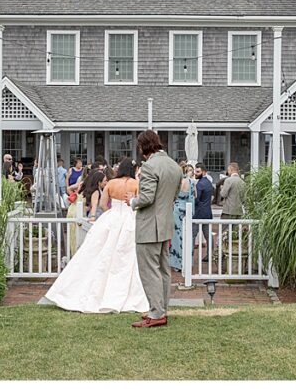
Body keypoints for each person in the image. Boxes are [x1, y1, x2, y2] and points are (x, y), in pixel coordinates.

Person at [39, 157, 149, 315]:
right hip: (130, 218)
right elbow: (138, 204)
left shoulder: (111, 183)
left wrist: (111, 215)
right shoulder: (136, 184)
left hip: (112, 217)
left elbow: (104, 204)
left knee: (99, 253)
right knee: (128, 256)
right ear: (133, 170)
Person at [129, 130, 182, 329]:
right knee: (163, 270)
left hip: (149, 226)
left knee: (149, 271)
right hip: (166, 224)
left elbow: (147, 198)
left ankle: (156, 313)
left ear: (144, 146)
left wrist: (132, 201)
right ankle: (160, 309)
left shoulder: (150, 167)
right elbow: (174, 195)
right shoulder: (174, 166)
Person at [169, 164, 196, 271]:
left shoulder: (175, 182)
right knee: (187, 236)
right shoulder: (190, 182)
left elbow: (171, 197)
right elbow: (192, 198)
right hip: (187, 210)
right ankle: (187, 262)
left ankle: (177, 263)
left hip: (176, 210)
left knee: (176, 237)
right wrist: (191, 213)